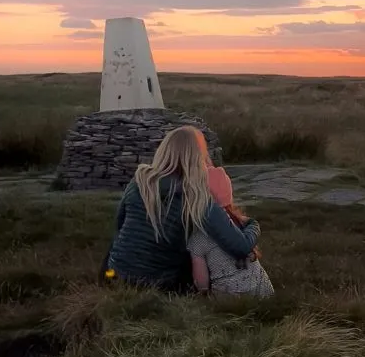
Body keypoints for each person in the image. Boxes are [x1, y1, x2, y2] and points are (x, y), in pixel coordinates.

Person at [105, 127, 260, 292]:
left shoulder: (140, 181)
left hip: (114, 276)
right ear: (198, 158)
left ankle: (108, 278)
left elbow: (119, 225)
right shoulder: (196, 197)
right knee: (200, 244)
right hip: (158, 286)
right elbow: (240, 247)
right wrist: (251, 224)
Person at [188, 165, 275, 298]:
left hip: (229, 297)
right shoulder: (241, 222)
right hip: (262, 290)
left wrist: (201, 292)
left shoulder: (198, 238)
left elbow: (202, 284)